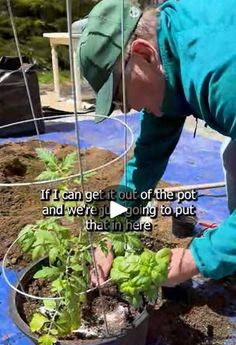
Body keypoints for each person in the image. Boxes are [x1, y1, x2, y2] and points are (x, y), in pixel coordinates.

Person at [79, 0, 236, 287]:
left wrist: (197, 258)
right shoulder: (164, 62)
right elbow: (146, 162)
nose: (126, 109)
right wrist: (115, 230)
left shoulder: (222, 74)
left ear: (142, 53)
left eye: (120, 97)